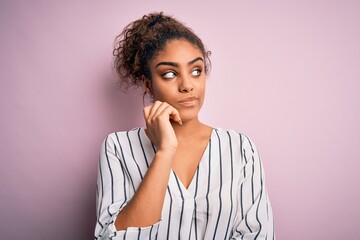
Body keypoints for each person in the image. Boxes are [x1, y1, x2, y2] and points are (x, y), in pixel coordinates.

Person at [94, 12, 275, 240]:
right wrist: (165, 151)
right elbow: (109, 238)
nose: (187, 85)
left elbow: (259, 235)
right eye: (170, 74)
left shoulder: (240, 148)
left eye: (196, 71)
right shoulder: (117, 148)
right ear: (148, 84)